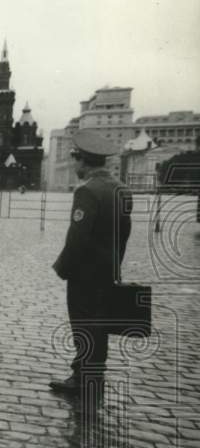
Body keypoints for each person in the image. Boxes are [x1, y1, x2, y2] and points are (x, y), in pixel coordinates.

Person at [50, 131, 132, 397]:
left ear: (83, 160)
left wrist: (64, 267)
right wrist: (115, 264)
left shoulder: (87, 191)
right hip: (107, 271)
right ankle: (94, 375)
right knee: (100, 323)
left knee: (84, 323)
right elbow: (125, 232)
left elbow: (78, 237)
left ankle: (82, 377)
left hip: (85, 274)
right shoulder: (121, 189)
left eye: (76, 161)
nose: (75, 166)